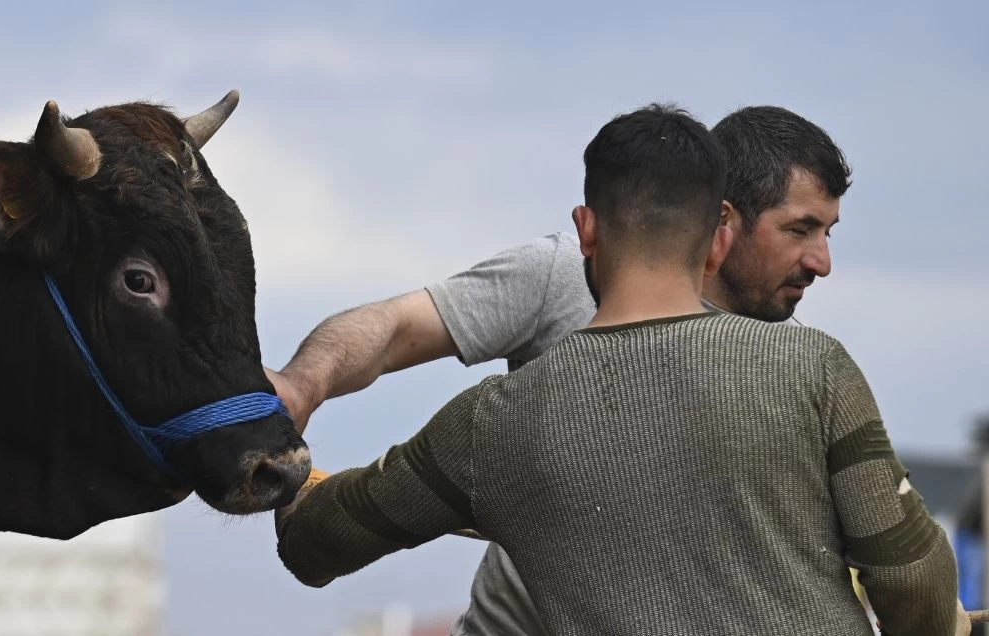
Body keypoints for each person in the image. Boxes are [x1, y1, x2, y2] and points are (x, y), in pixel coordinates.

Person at [271, 103, 963, 634]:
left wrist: (271, 446)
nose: (820, 261)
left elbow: (318, 541)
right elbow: (913, 584)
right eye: (802, 229)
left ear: (588, 229)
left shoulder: (489, 423)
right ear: (718, 232)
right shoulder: (813, 369)